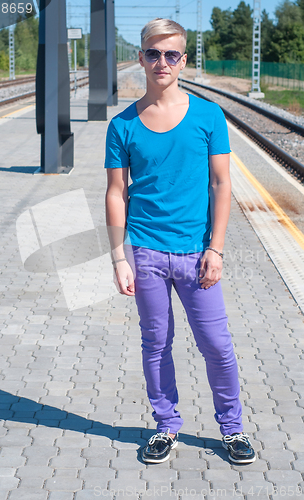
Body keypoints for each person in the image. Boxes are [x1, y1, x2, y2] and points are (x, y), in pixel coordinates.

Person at [104, 18, 255, 465]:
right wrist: (118, 257)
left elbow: (222, 185)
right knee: (156, 343)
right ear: (142, 57)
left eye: (172, 55)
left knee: (217, 344)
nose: (162, 62)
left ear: (183, 60)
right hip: (145, 251)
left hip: (196, 253)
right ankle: (165, 426)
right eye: (154, 53)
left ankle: (232, 428)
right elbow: (116, 192)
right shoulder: (122, 125)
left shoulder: (208, 116)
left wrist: (217, 248)